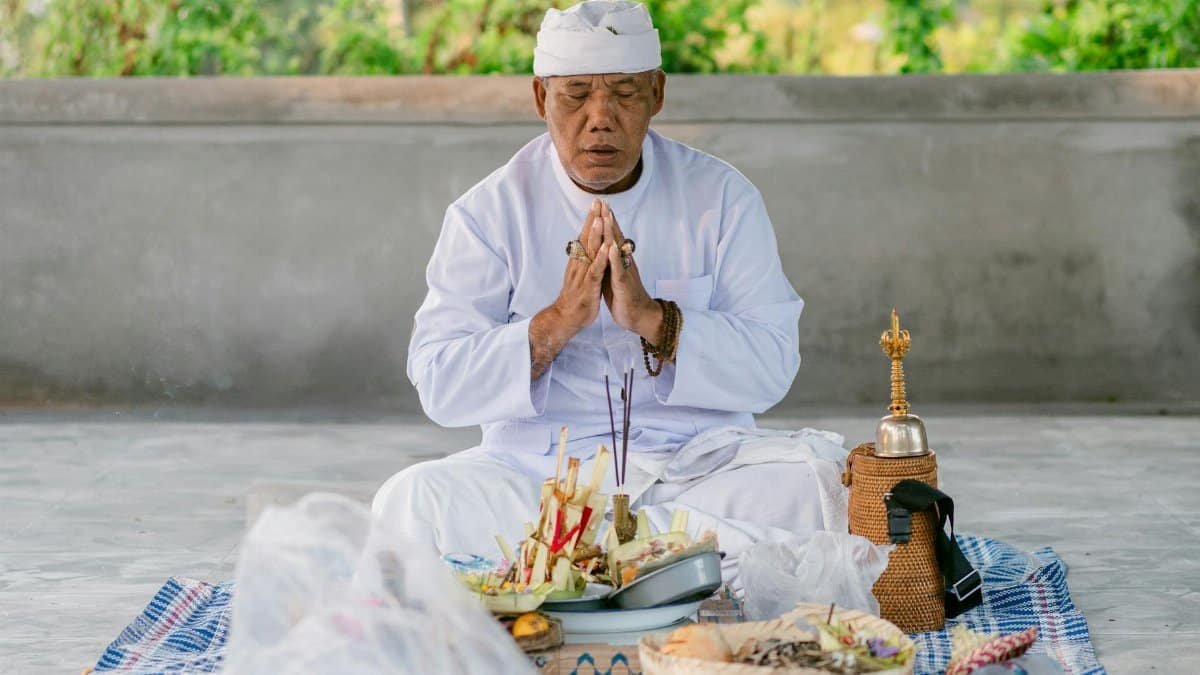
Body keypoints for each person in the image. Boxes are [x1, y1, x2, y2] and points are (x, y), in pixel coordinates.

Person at [372, 0, 848, 586]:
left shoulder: (722, 198)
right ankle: (668, 563)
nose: (600, 117)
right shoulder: (488, 213)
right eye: (576, 94)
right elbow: (439, 382)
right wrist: (555, 324)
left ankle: (588, 564)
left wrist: (656, 320)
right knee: (413, 499)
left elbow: (774, 366)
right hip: (537, 481)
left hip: (695, 470)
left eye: (624, 93)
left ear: (657, 94)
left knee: (823, 484)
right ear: (541, 99)